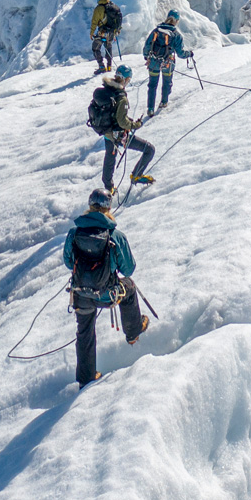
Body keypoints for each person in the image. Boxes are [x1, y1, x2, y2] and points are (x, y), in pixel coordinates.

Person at [63, 188, 147, 384]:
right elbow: (128, 269)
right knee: (129, 287)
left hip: (81, 295)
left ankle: (86, 377)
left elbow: (69, 262)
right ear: (108, 208)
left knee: (84, 331)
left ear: (90, 205)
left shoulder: (74, 233)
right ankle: (133, 332)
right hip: (107, 294)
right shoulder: (115, 236)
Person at [87, 67, 154, 188]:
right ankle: (137, 175)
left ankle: (108, 186)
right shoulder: (121, 98)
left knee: (110, 158)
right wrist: (136, 125)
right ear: (126, 79)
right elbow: (122, 122)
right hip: (119, 134)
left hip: (108, 132)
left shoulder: (108, 89)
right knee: (149, 149)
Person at [144, 12, 187, 114]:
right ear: (177, 21)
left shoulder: (156, 31)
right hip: (168, 62)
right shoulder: (176, 35)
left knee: (152, 85)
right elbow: (180, 53)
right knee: (167, 82)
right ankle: (164, 102)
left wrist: (147, 57)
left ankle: (150, 108)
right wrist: (189, 54)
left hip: (153, 61)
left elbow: (147, 46)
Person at [89, 0, 123, 74]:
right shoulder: (112, 5)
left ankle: (101, 67)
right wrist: (117, 30)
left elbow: (94, 22)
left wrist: (92, 33)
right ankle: (109, 66)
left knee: (95, 48)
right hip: (112, 31)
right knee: (108, 46)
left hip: (103, 31)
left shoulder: (99, 8)